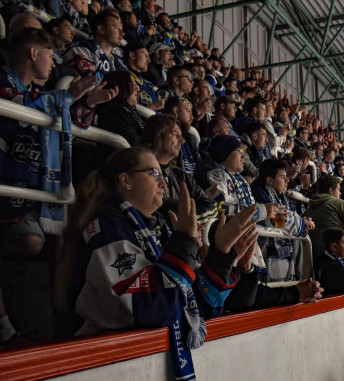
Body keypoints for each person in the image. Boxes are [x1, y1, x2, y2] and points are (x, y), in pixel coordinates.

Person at [0, 27, 116, 343]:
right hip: (9, 186)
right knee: (34, 243)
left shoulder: (35, 91)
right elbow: (24, 104)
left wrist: (86, 104)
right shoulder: (5, 81)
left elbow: (61, 117)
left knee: (41, 243)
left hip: (21, 190)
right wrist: (68, 96)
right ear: (33, 53)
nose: (53, 64)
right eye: (50, 56)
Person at [58, 148, 244, 335]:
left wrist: (221, 254)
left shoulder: (160, 229)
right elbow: (150, 310)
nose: (163, 183)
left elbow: (196, 308)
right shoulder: (106, 231)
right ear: (126, 181)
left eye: (162, 175)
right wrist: (184, 244)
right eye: (154, 174)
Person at [135, 114, 217, 226]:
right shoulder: (139, 171)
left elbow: (210, 205)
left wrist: (186, 220)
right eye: (175, 134)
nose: (182, 140)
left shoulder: (181, 175)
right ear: (157, 135)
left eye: (181, 135)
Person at [64, 8, 127, 81]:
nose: (122, 33)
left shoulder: (117, 61)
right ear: (101, 30)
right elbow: (88, 83)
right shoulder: (82, 49)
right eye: (117, 28)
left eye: (121, 29)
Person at [94, 70, 144, 145]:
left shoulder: (129, 110)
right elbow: (133, 142)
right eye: (133, 85)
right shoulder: (114, 113)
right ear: (121, 86)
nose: (137, 89)